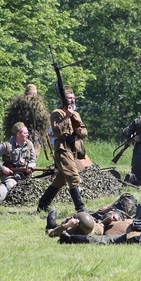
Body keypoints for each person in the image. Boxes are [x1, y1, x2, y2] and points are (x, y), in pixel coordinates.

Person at [37, 88, 88, 225]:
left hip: (73, 149)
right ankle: (81, 208)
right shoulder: (57, 113)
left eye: (73, 97)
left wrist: (79, 131)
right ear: (64, 100)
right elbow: (57, 131)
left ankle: (43, 204)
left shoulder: (75, 113)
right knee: (73, 176)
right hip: (62, 149)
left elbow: (84, 131)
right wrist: (66, 116)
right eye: (69, 98)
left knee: (61, 179)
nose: (72, 100)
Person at [0, 122, 36, 205]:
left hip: (25, 175)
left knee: (33, 188)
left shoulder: (29, 144)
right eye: (25, 133)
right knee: (12, 187)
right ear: (18, 134)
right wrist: (3, 168)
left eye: (27, 133)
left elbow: (33, 159)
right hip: (10, 176)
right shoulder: (7, 145)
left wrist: (30, 167)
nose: (28, 135)